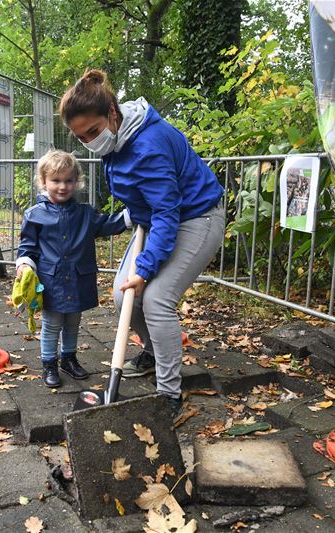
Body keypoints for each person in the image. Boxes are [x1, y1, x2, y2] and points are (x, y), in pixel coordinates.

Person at [59, 69, 225, 418]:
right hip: (157, 219)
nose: (90, 142)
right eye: (81, 138)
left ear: (113, 115)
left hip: (196, 217)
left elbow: (167, 212)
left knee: (156, 299)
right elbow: (146, 201)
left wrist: (146, 267)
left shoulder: (148, 145)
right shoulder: (117, 140)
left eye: (93, 131)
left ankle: (169, 396)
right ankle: (154, 351)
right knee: (124, 296)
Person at [15, 150, 130, 388]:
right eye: (56, 180)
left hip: (78, 279)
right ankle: (49, 363)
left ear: (77, 182)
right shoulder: (35, 215)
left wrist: (133, 214)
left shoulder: (85, 213)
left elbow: (108, 224)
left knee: (73, 322)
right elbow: (27, 247)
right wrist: (25, 264)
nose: (62, 186)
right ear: (43, 181)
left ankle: (68, 358)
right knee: (52, 324)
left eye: (68, 180)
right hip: (51, 281)